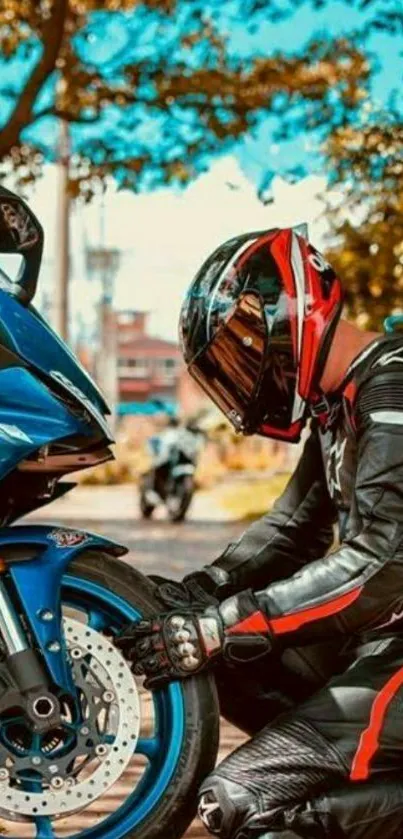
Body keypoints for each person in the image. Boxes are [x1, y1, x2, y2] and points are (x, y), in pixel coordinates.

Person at [116, 227, 403, 839]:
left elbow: (381, 566)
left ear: (290, 316)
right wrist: (192, 596)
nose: (241, 375)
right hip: (373, 650)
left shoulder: (394, 388)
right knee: (204, 644)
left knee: (242, 805)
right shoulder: (339, 404)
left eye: (242, 351)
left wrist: (223, 624)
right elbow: (292, 528)